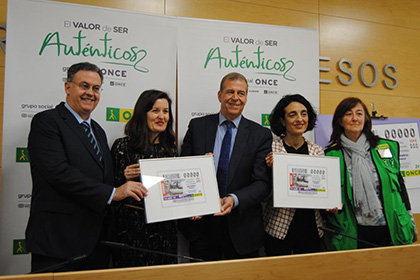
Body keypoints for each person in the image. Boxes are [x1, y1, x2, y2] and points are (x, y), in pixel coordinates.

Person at [26, 62, 148, 273]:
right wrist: (113, 192)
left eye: (96, 88)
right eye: (84, 86)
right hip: (58, 241)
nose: (90, 93)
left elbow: (102, 177)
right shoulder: (47, 122)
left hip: (96, 243)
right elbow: (58, 173)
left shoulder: (98, 131)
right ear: (67, 87)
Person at [178, 72, 272, 261]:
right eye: (230, 92)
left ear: (246, 97)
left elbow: (262, 183)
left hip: (242, 229)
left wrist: (234, 199)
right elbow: (182, 172)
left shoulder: (260, 134)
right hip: (201, 227)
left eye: (241, 93)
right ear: (220, 95)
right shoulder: (198, 126)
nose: (235, 98)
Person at [323, 97, 418, 250]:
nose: (355, 118)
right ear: (340, 121)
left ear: (366, 119)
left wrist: (411, 221)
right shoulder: (331, 155)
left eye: (359, 113)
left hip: (391, 228)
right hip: (352, 232)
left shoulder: (387, 147)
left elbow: (400, 186)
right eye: (348, 114)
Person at [110, 90, 177, 267]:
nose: (161, 116)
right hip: (131, 231)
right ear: (142, 113)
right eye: (155, 111)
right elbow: (110, 191)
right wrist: (124, 178)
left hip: (165, 231)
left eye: (166, 111)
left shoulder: (171, 150)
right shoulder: (122, 146)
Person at [263, 94, 325, 255]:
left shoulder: (317, 151)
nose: (299, 119)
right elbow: (263, 193)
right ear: (282, 121)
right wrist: (272, 170)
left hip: (312, 227)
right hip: (279, 228)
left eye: (304, 114)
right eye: (292, 114)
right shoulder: (272, 150)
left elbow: (324, 189)